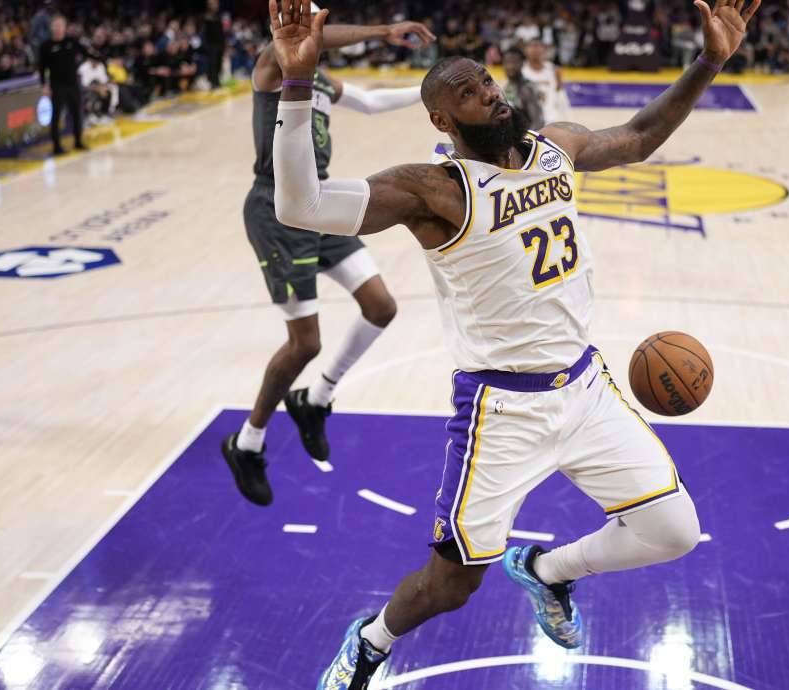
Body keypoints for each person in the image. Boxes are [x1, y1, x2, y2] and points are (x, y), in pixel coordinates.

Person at [265, 0, 760, 687]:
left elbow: (641, 135)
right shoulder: (435, 191)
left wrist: (709, 60)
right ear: (442, 120)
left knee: (674, 531)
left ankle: (547, 571)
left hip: (585, 390)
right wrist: (296, 81)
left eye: (487, 82)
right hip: (501, 411)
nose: (491, 95)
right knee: (450, 586)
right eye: (469, 93)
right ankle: (371, 642)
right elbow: (300, 207)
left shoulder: (557, 147)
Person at [220, 10, 436, 507]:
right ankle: (247, 442)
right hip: (275, 209)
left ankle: (315, 400)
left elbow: (372, 102)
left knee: (381, 306)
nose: (310, 35)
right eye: (304, 28)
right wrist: (381, 31)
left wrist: (428, 91)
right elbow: (311, 39)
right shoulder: (272, 67)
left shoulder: (321, 79)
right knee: (305, 344)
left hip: (316, 200)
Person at [38, 15, 89, 155]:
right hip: (57, 86)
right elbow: (41, 68)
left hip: (73, 84)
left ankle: (78, 141)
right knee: (56, 116)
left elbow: (86, 53)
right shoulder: (46, 46)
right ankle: (57, 146)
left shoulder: (72, 42)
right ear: (51, 27)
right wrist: (44, 85)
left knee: (77, 113)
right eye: (56, 25)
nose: (58, 28)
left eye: (61, 25)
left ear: (65, 27)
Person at [522, 38, 566, 125]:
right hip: (528, 122)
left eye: (538, 46)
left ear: (545, 50)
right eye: (532, 46)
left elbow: (561, 98)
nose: (535, 49)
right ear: (525, 50)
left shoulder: (554, 70)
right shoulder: (520, 71)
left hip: (551, 121)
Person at [501, 47, 543, 129]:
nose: (510, 66)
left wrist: (527, 137)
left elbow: (537, 122)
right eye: (507, 62)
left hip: (525, 134)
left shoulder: (527, 88)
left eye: (514, 62)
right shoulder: (505, 86)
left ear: (522, 63)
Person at [202, 0, 227, 90]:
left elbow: (221, 32)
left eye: (217, 4)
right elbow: (205, 34)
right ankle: (214, 82)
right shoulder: (206, 17)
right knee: (213, 64)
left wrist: (224, 44)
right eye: (214, 4)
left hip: (220, 44)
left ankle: (217, 81)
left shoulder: (218, 16)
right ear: (209, 6)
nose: (216, 6)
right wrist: (207, 46)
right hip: (211, 45)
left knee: (219, 63)